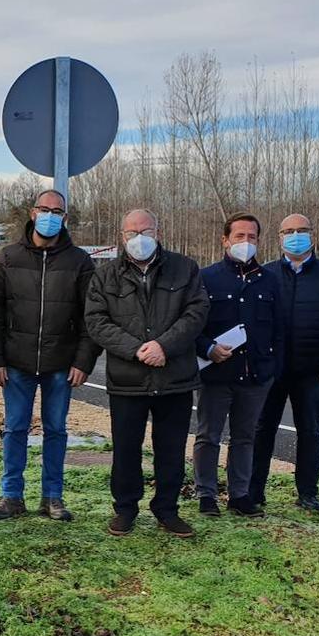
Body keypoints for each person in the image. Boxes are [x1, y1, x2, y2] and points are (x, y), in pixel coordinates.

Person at [85, 209, 209, 538]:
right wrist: (137, 349)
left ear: (158, 231)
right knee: (126, 449)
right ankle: (125, 509)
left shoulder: (185, 269)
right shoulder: (105, 275)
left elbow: (197, 312)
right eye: (131, 233)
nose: (139, 238)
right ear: (121, 236)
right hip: (128, 379)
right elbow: (97, 321)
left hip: (175, 377)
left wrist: (164, 346)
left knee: (171, 449)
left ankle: (167, 510)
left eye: (146, 230)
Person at [0, 189, 99, 522]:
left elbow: (91, 315)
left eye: (57, 211)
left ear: (64, 218)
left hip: (61, 364)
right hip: (16, 362)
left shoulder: (79, 261)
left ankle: (53, 497)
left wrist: (83, 360)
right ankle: (11, 496)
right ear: (33, 212)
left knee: (56, 430)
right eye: (44, 208)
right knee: (15, 429)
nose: (50, 215)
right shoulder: (8, 257)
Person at [250, 214, 319, 513]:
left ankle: (308, 494)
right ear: (279, 237)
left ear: (312, 235)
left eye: (301, 230)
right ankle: (253, 492)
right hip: (272, 370)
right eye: (288, 231)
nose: (294, 236)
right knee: (262, 430)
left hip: (313, 370)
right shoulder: (265, 274)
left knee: (310, 431)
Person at [193, 213, 283, 518]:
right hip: (217, 375)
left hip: (256, 376)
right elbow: (191, 325)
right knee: (209, 436)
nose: (246, 242)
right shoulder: (205, 278)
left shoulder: (270, 281)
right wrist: (207, 348)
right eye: (239, 236)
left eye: (252, 237)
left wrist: (272, 369)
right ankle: (206, 494)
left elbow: (280, 328)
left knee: (245, 438)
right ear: (225, 240)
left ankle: (239, 495)